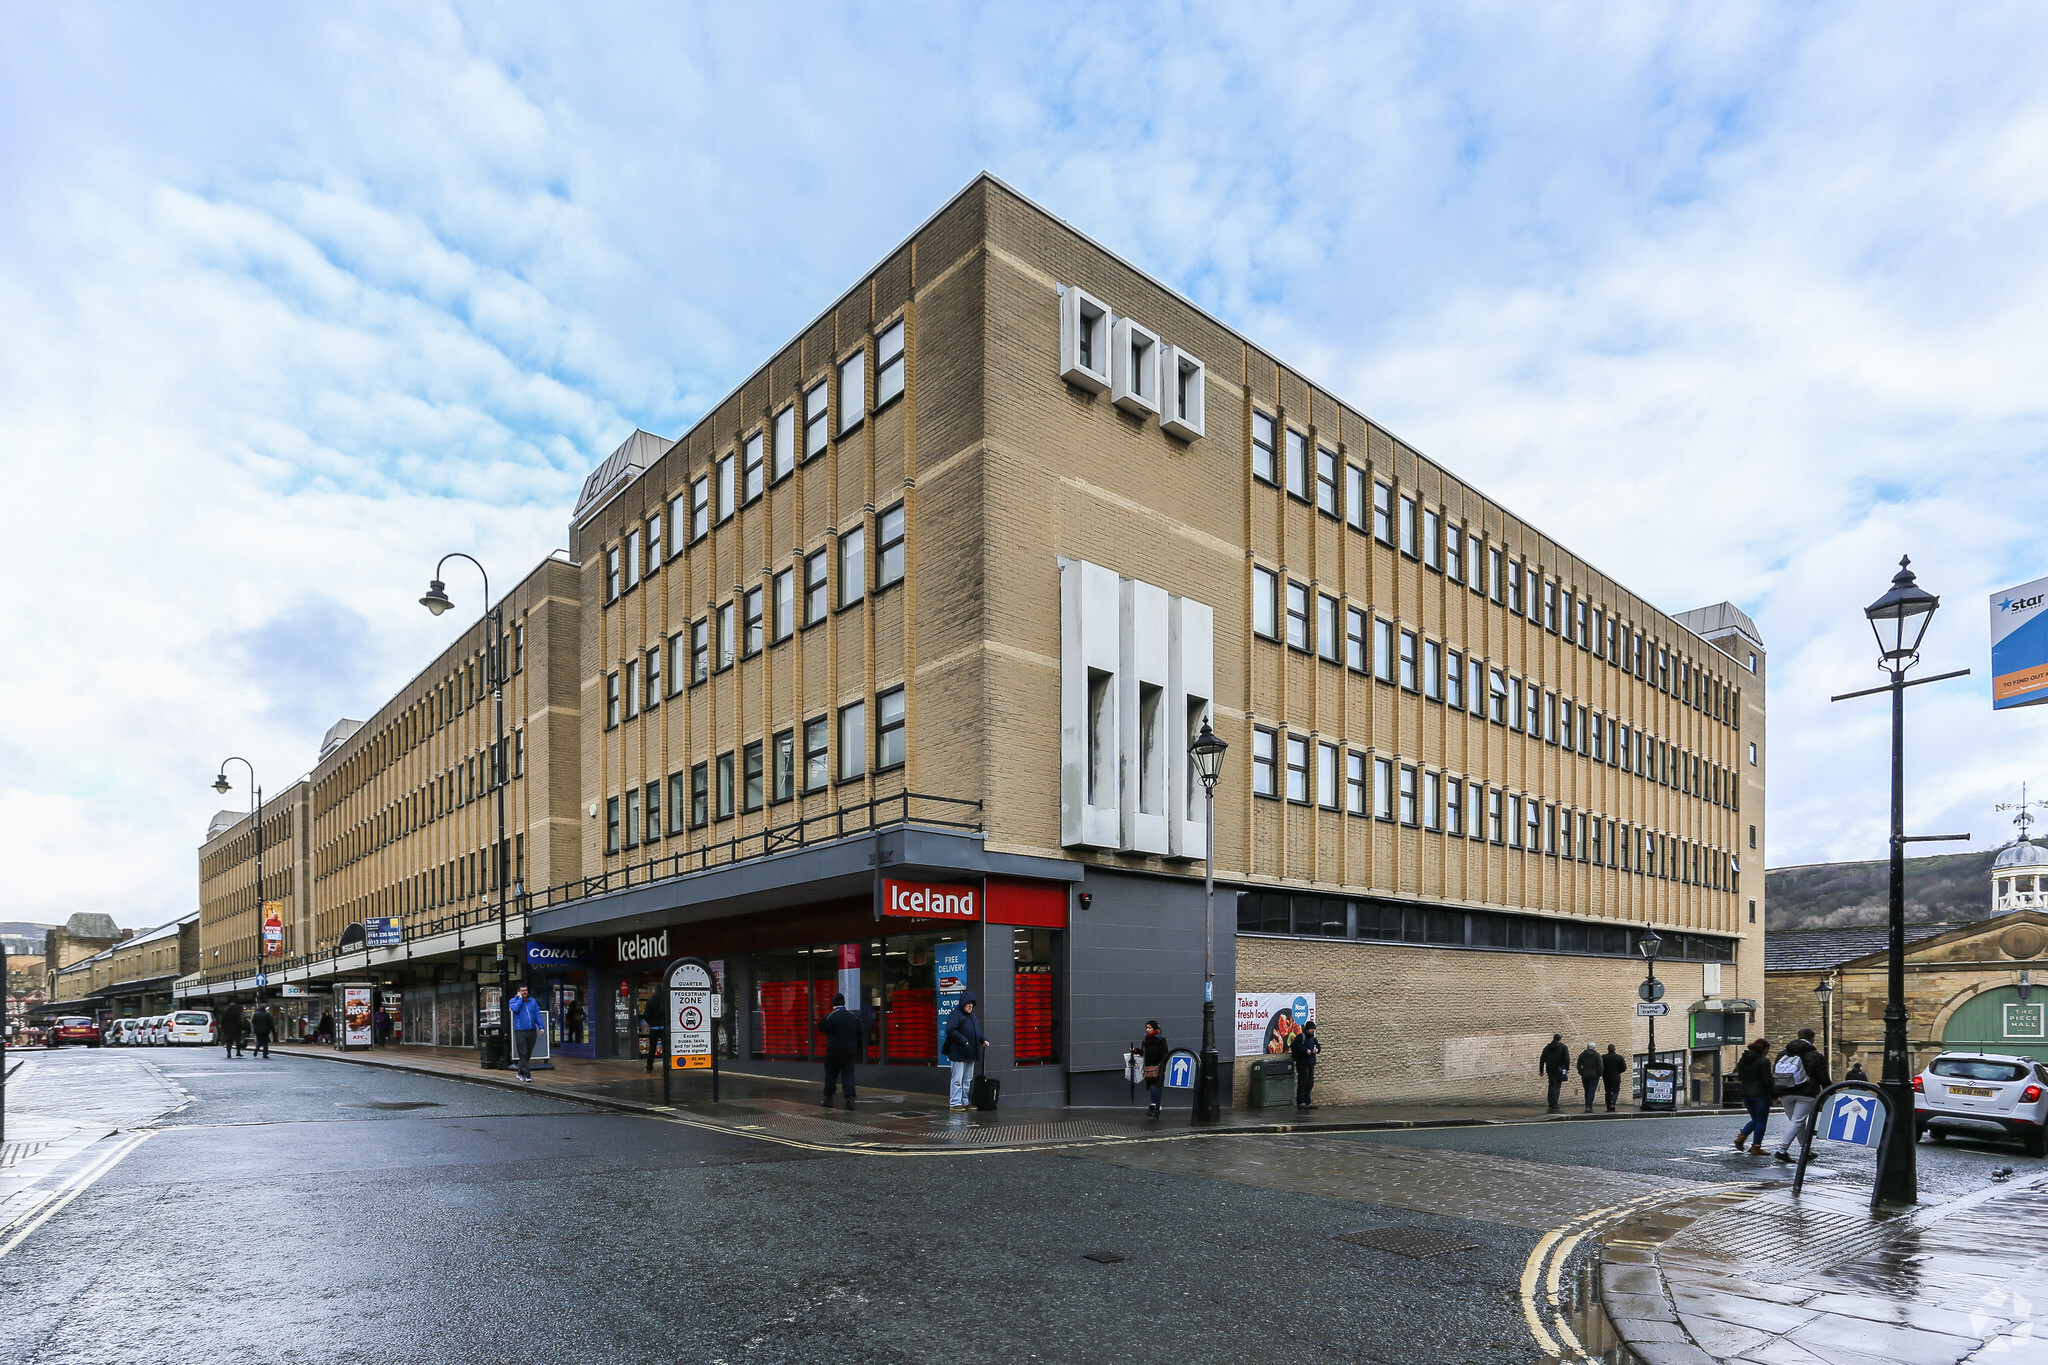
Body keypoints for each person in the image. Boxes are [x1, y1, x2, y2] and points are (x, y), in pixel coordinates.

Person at [1771, 1027, 1831, 1162]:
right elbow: (1823, 1078)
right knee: (1797, 1122)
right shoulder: (1816, 1055)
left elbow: (1775, 1073)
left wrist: (1776, 1091)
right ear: (1812, 1038)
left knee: (1797, 1123)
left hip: (1785, 1092)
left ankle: (1806, 1151)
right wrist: (1830, 1091)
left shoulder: (1782, 1054)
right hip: (1806, 1093)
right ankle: (1781, 1150)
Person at [817, 993, 864, 1109]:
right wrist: (858, 1049)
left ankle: (828, 1099)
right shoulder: (853, 1016)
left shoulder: (830, 1016)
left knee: (831, 1074)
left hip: (834, 1051)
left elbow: (821, 1027)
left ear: (833, 1004)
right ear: (844, 1003)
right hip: (850, 1052)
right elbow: (860, 1035)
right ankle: (850, 1100)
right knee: (848, 1075)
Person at [942, 992, 987, 1112]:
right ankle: (955, 1102)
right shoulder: (955, 1015)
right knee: (957, 1079)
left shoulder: (972, 1016)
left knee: (967, 1079)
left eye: (972, 1004)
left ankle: (964, 1101)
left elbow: (977, 1031)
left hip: (970, 1053)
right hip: (959, 1052)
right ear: (963, 1003)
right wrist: (964, 1041)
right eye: (968, 1003)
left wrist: (983, 1040)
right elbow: (951, 1030)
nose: (970, 1006)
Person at [1732, 1036, 1774, 1154]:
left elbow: (1739, 1075)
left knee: (1755, 1119)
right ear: (1764, 1048)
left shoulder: (1743, 1059)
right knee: (1761, 1121)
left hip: (1745, 1092)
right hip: (1760, 1094)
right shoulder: (1764, 1061)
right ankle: (1756, 1147)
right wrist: (1774, 1093)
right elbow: (1767, 1080)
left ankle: (1741, 1138)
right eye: (1768, 1049)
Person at [507, 983, 543, 1082]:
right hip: (520, 1031)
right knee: (523, 1053)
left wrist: (541, 1027)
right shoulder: (513, 1001)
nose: (524, 992)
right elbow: (515, 1009)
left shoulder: (533, 1001)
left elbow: (537, 1014)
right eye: (522, 990)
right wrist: (520, 999)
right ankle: (527, 1074)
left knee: (528, 1054)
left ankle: (520, 1072)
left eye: (526, 990)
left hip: (531, 1030)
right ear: (519, 992)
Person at [1136, 1021, 1169, 1117]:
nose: (1147, 1030)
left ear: (1155, 1028)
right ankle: (1155, 1105)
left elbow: (1165, 1054)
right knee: (1152, 1086)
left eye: (1149, 1028)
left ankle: (1155, 1105)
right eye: (1147, 1028)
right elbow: (1144, 1053)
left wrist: (1163, 1066)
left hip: (1157, 1067)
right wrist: (1136, 1051)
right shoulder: (1145, 1040)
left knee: (1154, 1086)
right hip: (1148, 1068)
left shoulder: (1161, 1040)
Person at [1291, 1020, 1322, 1109]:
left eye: (1314, 1029)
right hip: (1302, 1063)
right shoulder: (1301, 1037)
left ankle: (1308, 1101)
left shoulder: (1313, 1038)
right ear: (1307, 1029)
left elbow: (1318, 1046)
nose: (1313, 1031)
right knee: (1302, 1082)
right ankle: (1301, 1102)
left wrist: (1317, 1050)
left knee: (1310, 1083)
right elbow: (1295, 1046)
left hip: (1311, 1062)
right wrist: (1305, 1050)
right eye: (1312, 1029)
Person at [1539, 1034, 1571, 1111]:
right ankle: (1554, 1104)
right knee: (1556, 1086)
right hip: (1559, 1069)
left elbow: (1542, 1059)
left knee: (1551, 1085)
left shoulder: (1547, 1048)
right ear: (1560, 1039)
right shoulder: (1563, 1047)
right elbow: (1567, 1059)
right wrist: (1567, 1069)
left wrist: (1541, 1070)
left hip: (1549, 1069)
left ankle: (1550, 1103)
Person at [639, 993, 665, 1073]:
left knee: (652, 1048)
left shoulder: (650, 1000)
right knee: (665, 1048)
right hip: (664, 1027)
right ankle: (666, 1068)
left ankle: (649, 1068)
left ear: (654, 990)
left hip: (654, 1027)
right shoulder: (666, 999)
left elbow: (646, 1015)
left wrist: (651, 1023)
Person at [1600, 1044, 1630, 1111]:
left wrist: (1603, 1073)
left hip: (1606, 1077)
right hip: (1616, 1077)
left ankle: (1608, 1106)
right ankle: (1612, 1102)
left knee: (1607, 1092)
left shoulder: (1603, 1057)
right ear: (1614, 1049)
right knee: (1616, 1091)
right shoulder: (1619, 1057)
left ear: (1608, 1049)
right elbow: (1624, 1068)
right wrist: (1618, 1072)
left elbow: (1601, 1067)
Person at [1575, 1043, 1602, 1112]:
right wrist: (1599, 1074)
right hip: (1594, 1075)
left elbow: (1578, 1065)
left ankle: (1587, 1104)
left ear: (1587, 1047)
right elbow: (1600, 1066)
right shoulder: (1597, 1055)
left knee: (1586, 1090)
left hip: (1585, 1074)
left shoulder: (1582, 1055)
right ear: (1594, 1047)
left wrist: (1581, 1072)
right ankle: (1588, 1105)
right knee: (1592, 1090)